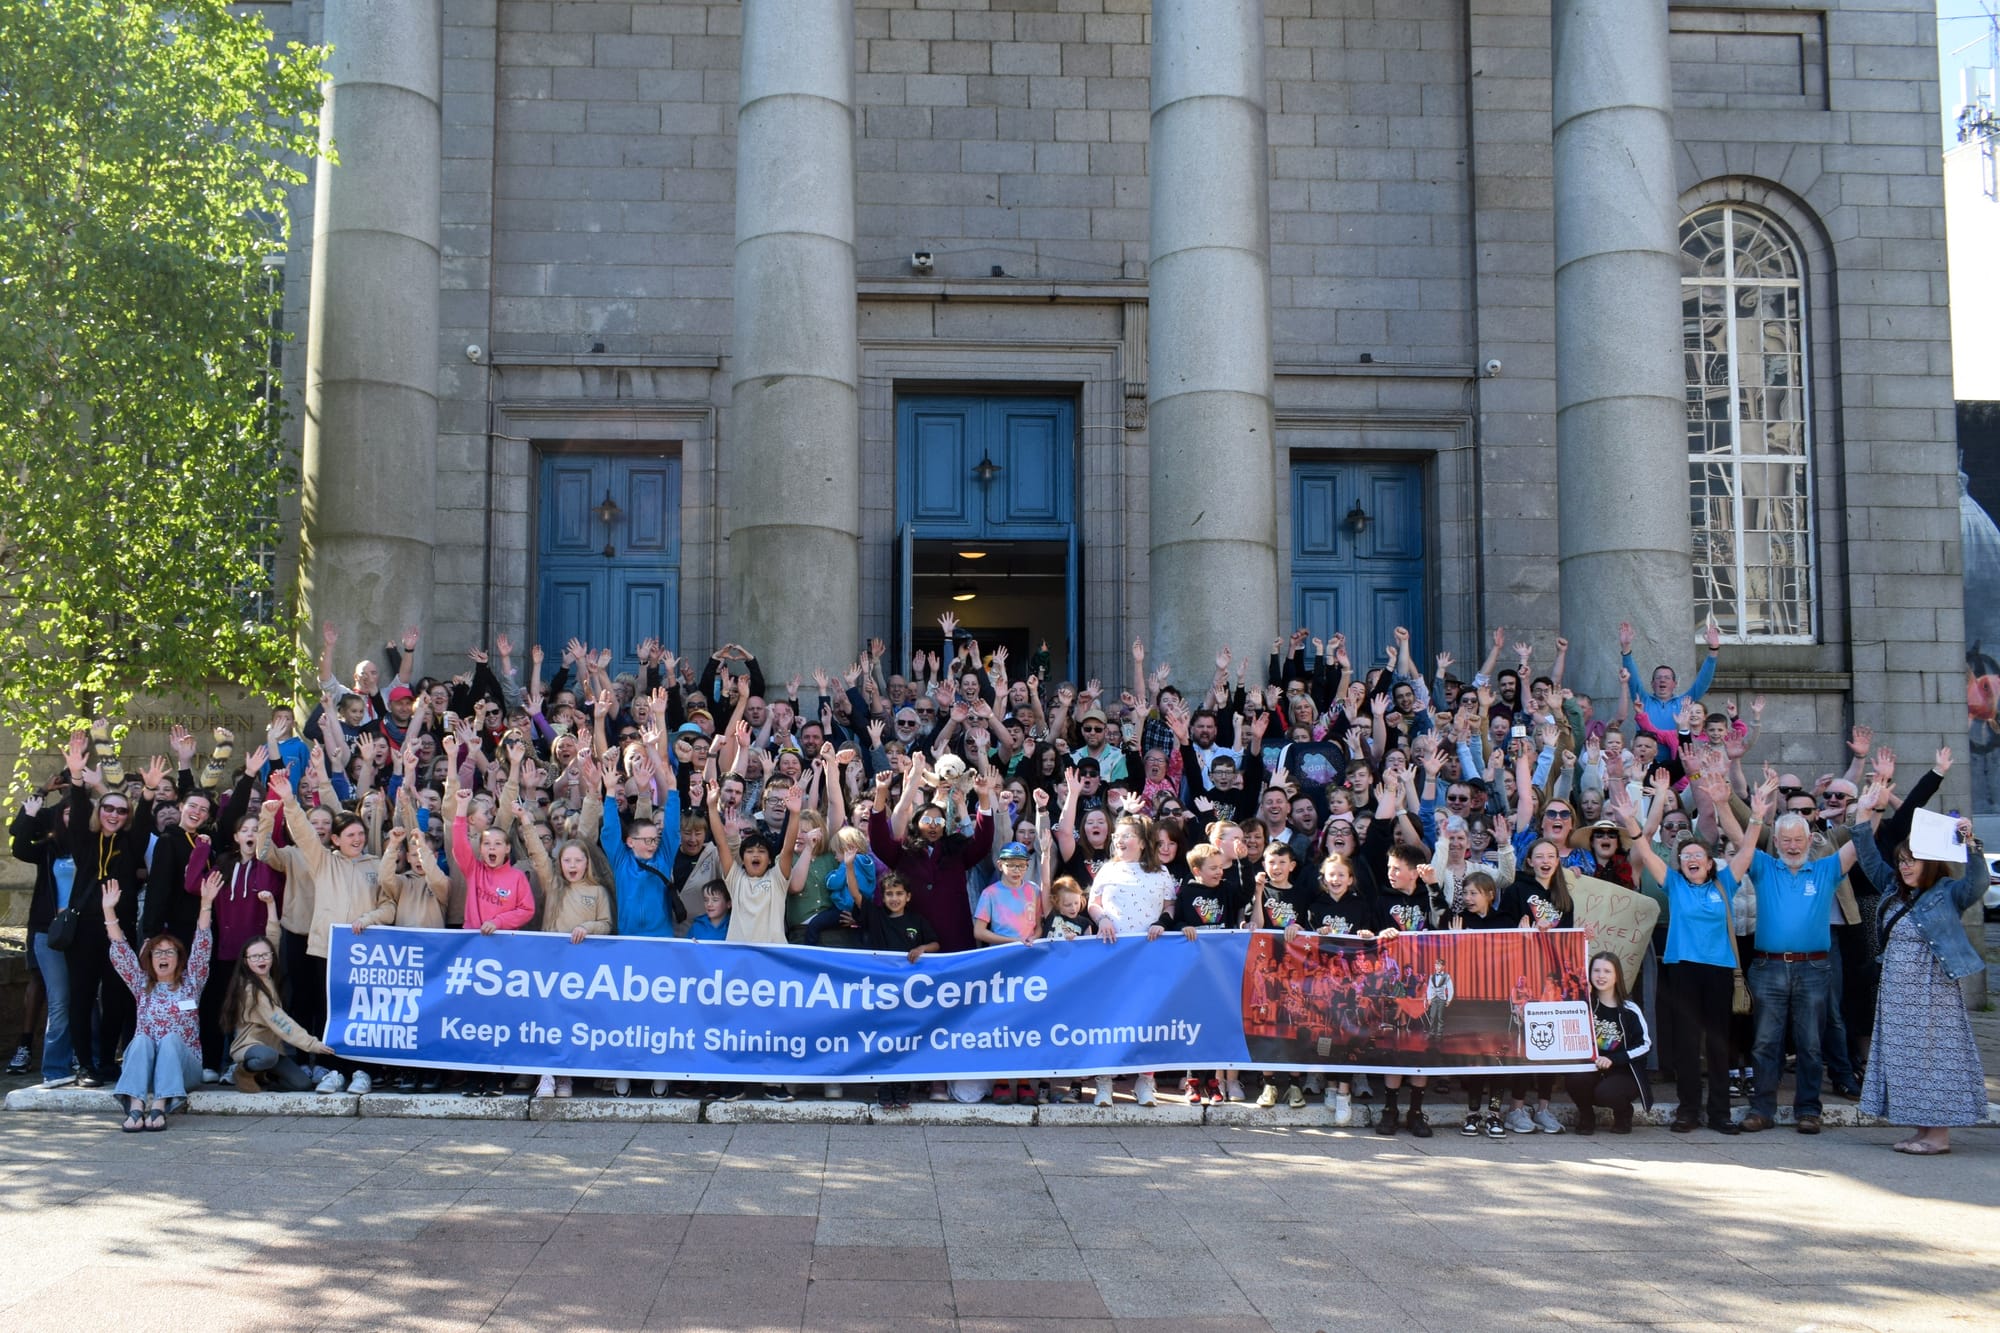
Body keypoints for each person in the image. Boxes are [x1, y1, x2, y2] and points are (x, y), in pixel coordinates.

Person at [1619, 770, 1767, 1133]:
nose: (1691, 858)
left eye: (1698, 853)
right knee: (1686, 1044)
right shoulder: (1673, 885)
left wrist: (1757, 815)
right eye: (1685, 855)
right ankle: (1688, 1110)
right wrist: (1632, 821)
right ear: (1679, 863)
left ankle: (1718, 1113)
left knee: (1718, 1046)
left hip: (1718, 971)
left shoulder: (1725, 883)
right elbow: (1642, 846)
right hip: (1682, 970)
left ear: (1710, 861)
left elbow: (1748, 850)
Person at [1847, 791, 1989, 1155]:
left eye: (1913, 861)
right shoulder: (1893, 890)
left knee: (1935, 1058)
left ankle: (1938, 1136)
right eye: (1902, 861)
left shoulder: (1946, 893)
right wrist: (1862, 821)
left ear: (1931, 864)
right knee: (1906, 1060)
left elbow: (1977, 884)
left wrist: (1971, 844)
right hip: (1897, 990)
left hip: (1933, 990)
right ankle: (1921, 1129)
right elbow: (1867, 859)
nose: (1906, 867)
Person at [1738, 801, 1862, 1136]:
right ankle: (1761, 1109)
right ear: (1775, 843)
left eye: (1799, 839)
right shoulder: (1763, 867)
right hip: (1768, 968)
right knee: (1764, 1042)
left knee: (1810, 1044)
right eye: (1786, 840)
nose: (1793, 846)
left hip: (1814, 969)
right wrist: (1724, 802)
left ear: (1810, 841)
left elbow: (1857, 843)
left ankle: (1808, 1110)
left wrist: (1867, 811)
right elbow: (1741, 839)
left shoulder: (1825, 870)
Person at [103, 872, 219, 1131]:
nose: (164, 956)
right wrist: (109, 911)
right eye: (158, 952)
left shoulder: (192, 982)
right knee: (141, 1039)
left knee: (169, 1039)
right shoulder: (142, 985)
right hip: (148, 1069)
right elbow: (121, 950)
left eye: (170, 952)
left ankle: (160, 1107)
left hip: (184, 1071)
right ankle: (135, 1108)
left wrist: (206, 903)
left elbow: (202, 943)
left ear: (179, 958)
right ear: (150, 958)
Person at [1084, 813, 1177, 1106]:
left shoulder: (1160, 872)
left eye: (1126, 835)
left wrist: (1162, 922)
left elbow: (1170, 906)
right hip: (1112, 956)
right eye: (1117, 837)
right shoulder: (1107, 870)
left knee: (1146, 1019)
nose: (1119, 841)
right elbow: (1093, 903)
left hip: (1149, 958)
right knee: (1109, 1018)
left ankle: (1145, 1081)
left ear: (1141, 840)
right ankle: (1104, 1081)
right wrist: (1102, 920)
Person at [225, 899, 337, 1093]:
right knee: (267, 1057)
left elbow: (273, 936)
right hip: (252, 1047)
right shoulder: (252, 988)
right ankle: (243, 1070)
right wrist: (312, 1044)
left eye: (265, 955)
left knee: (301, 1084)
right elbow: (280, 1020)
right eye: (254, 957)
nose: (261, 959)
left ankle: (263, 1077)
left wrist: (270, 905)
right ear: (245, 961)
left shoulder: (267, 972)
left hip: (274, 1051)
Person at [973, 841, 1043, 1104]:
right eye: (1011, 865)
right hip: (1000, 962)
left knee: (1025, 1024)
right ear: (1000, 865)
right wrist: (1012, 942)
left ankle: (1024, 1082)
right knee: (1001, 1023)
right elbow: (979, 931)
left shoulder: (1034, 891)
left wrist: (1031, 939)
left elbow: (1038, 925)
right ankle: (1002, 1080)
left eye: (1022, 865)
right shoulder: (991, 893)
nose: (1016, 870)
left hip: (1028, 964)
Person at [1563, 951, 1652, 1134]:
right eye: (1596, 970)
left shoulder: (1629, 1009)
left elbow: (1645, 1045)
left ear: (1617, 975)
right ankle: (1587, 1117)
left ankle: (1623, 1113)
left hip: (1624, 1072)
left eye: (1607, 971)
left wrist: (1615, 1059)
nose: (1601, 976)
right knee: (1574, 1078)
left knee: (1607, 1092)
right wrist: (1581, 997)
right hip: (1592, 1069)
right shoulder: (1583, 1006)